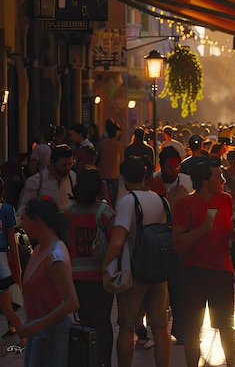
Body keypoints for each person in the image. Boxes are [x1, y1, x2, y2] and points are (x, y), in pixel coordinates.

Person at [173, 157, 235, 367]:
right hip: (194, 274)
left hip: (223, 273)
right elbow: (178, 243)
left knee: (226, 327)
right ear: (204, 181)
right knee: (193, 331)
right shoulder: (184, 204)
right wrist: (202, 229)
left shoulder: (225, 200)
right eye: (218, 176)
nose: (223, 180)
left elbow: (225, 231)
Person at [101, 157, 171, 367]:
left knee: (127, 326)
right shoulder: (162, 201)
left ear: (123, 178)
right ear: (145, 175)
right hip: (159, 270)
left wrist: (105, 266)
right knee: (159, 327)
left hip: (135, 271)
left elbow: (117, 241)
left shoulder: (127, 202)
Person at [19, 196, 80, 367]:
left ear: (37, 220)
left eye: (24, 219)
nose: (21, 224)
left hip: (50, 334)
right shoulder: (40, 249)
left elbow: (71, 302)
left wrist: (36, 324)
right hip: (39, 332)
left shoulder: (55, 256)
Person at [66, 167, 116, 367]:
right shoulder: (104, 213)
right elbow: (115, 243)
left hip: (76, 278)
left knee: (84, 321)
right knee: (103, 322)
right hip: (101, 277)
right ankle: (105, 361)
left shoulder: (67, 213)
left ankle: (87, 360)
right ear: (99, 188)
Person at [18, 144, 76, 216]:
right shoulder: (35, 182)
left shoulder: (72, 176)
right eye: (63, 165)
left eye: (70, 164)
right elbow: (22, 209)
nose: (67, 168)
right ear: (52, 162)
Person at [0, 177, 24, 345]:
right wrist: (17, 265)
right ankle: (23, 336)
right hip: (2, 261)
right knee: (7, 306)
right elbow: (11, 240)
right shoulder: (7, 209)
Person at [97, 119, 124, 205]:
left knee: (106, 192)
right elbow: (122, 159)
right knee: (114, 193)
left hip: (104, 172)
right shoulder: (118, 144)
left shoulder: (101, 143)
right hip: (115, 172)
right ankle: (112, 207)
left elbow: (97, 157)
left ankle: (107, 206)